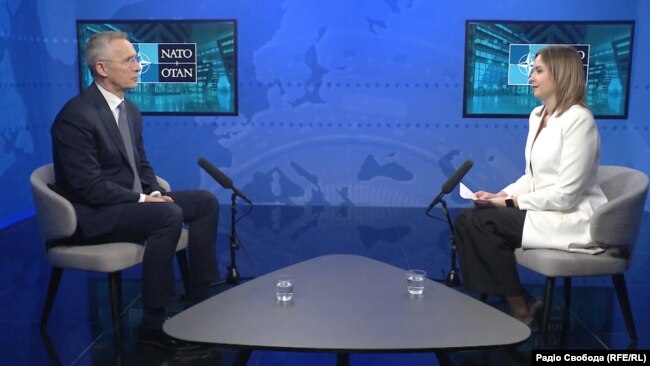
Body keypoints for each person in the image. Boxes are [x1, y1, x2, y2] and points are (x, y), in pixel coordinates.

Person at [50, 31, 219, 351]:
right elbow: (88, 187)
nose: (139, 66)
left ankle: (199, 301)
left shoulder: (130, 111)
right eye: (129, 60)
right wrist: (145, 199)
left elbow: (140, 163)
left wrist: (152, 190)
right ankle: (154, 324)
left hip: (129, 203)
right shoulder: (75, 116)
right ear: (102, 68)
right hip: (95, 214)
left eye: (137, 59)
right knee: (166, 214)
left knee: (205, 202)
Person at [453, 45, 607, 328]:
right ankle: (521, 303)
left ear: (560, 75)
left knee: (479, 223)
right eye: (531, 71)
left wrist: (508, 204)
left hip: (568, 215)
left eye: (538, 71)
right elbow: (532, 177)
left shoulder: (579, 120)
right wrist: (500, 194)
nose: (530, 77)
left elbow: (566, 196)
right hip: (542, 208)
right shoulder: (538, 115)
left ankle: (519, 312)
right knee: (466, 221)